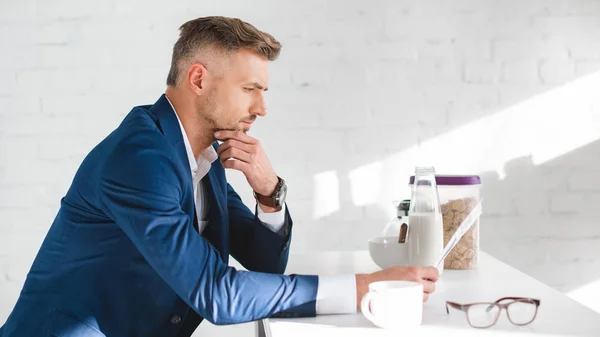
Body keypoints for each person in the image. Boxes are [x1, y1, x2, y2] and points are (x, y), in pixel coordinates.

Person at [0, 16, 439, 337]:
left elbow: (264, 263)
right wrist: (364, 286)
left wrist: (269, 192)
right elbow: (217, 293)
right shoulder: (140, 159)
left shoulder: (201, 159)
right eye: (250, 89)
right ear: (198, 79)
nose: (261, 108)